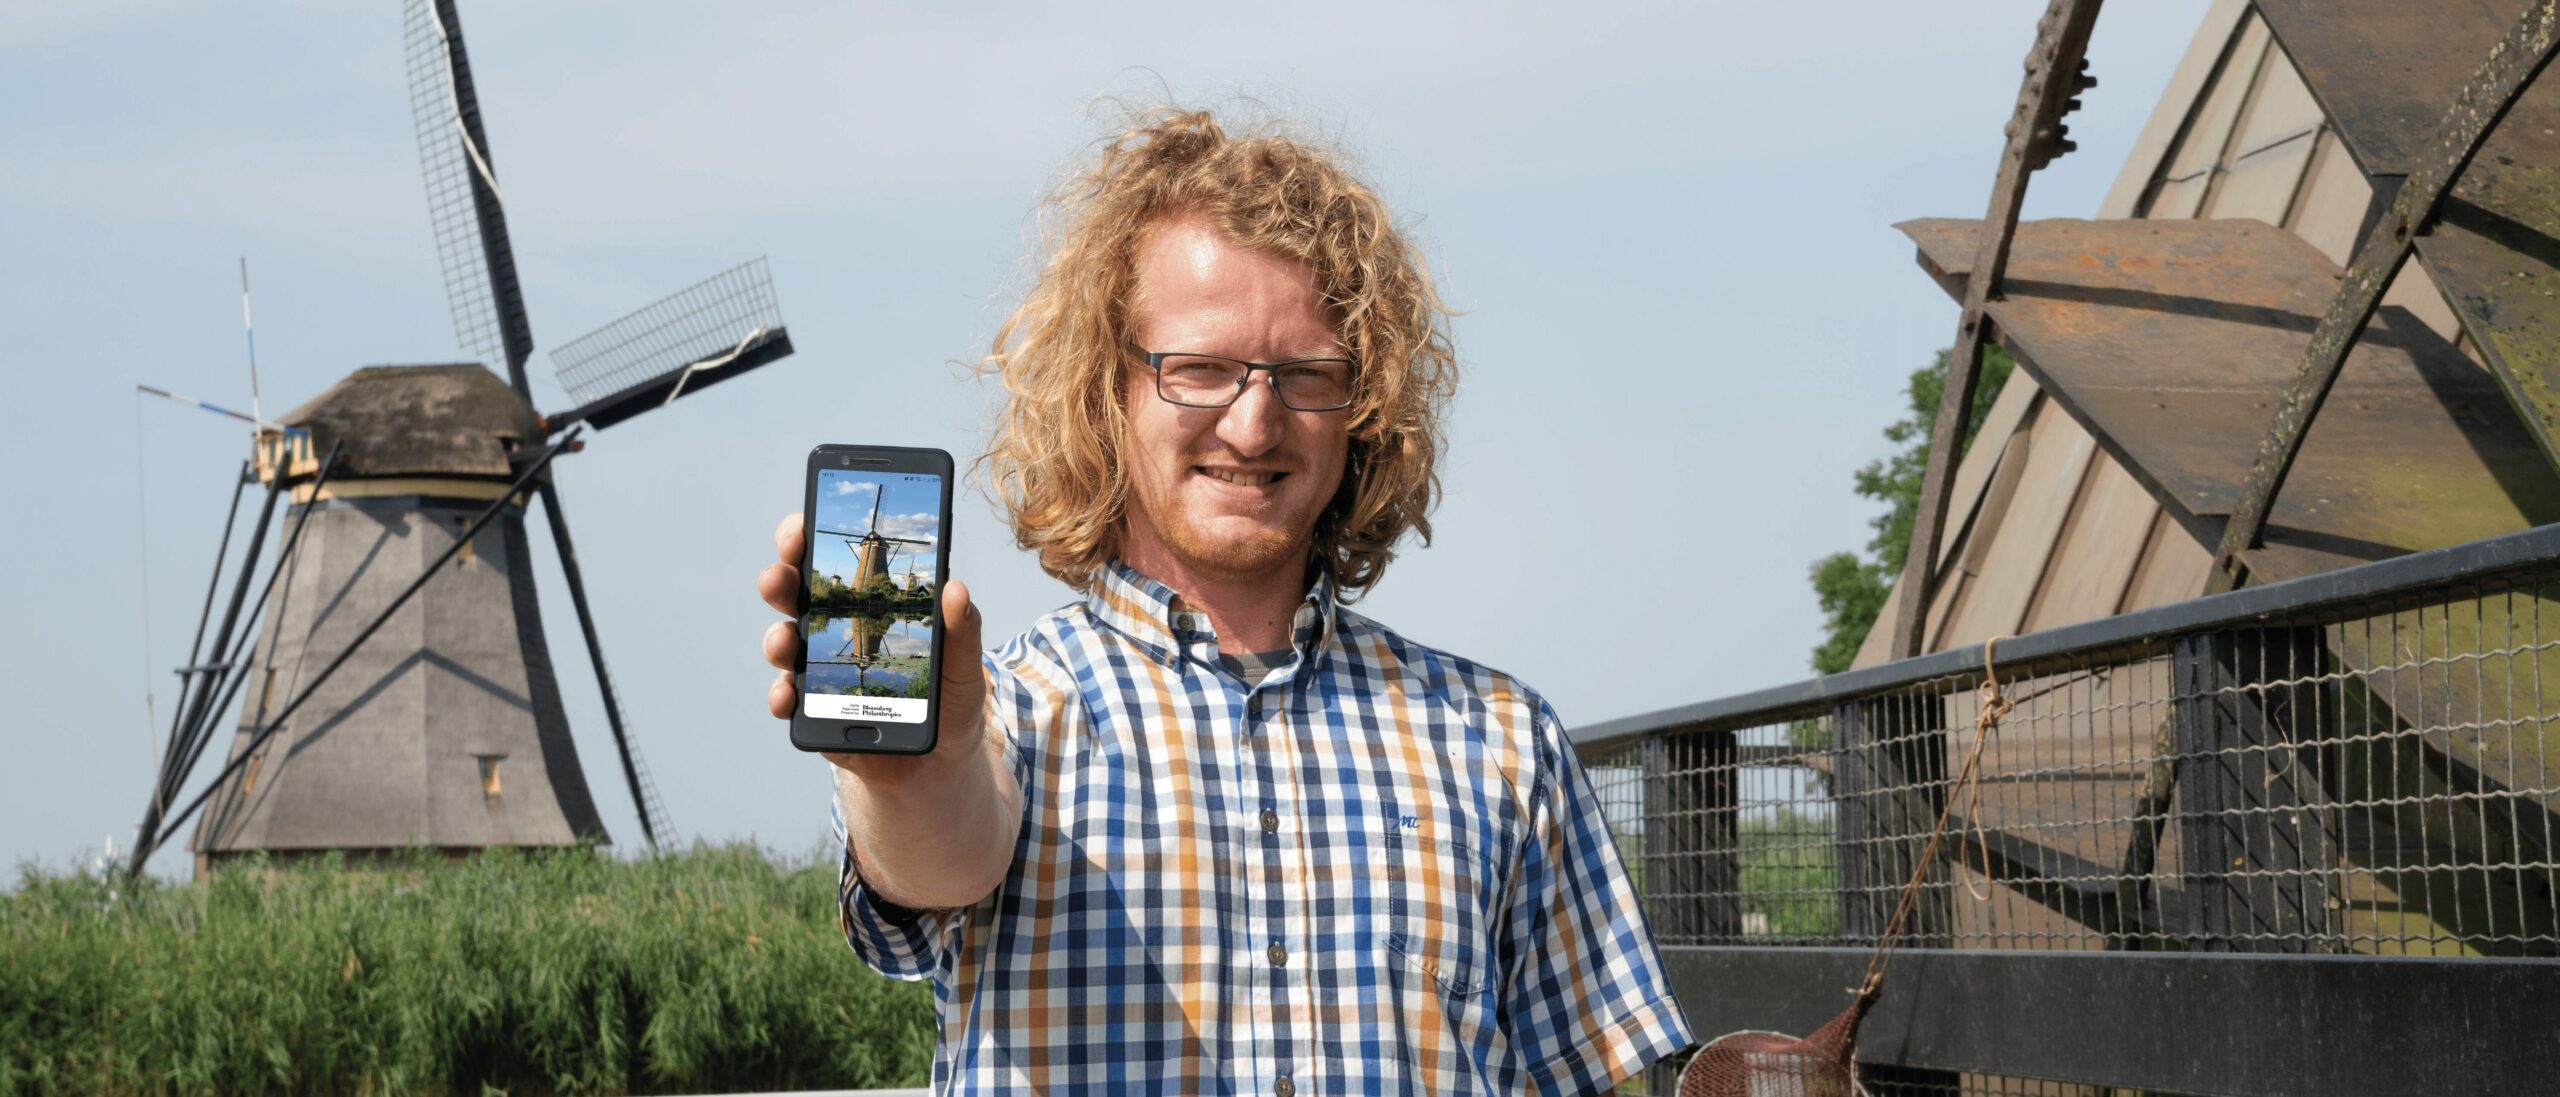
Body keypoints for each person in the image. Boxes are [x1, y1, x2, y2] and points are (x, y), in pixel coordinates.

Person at [758, 108, 1691, 1095]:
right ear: (1103, 389)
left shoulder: (1499, 738)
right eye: (1197, 367)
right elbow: (941, 853)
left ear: (1363, 406)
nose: (1253, 423)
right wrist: (916, 768)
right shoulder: (1007, 717)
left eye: (1306, 374)